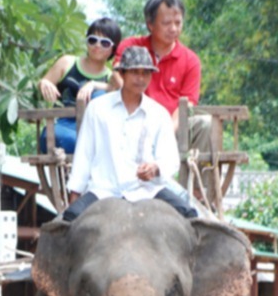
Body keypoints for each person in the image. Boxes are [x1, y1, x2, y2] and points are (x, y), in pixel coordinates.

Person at [62, 46, 199, 222]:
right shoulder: (97, 109)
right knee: (69, 219)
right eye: (135, 72)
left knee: (190, 215)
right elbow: (84, 155)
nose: (140, 78)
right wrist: (75, 197)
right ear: (122, 74)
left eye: (146, 73)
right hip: (103, 190)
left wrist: (155, 168)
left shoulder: (159, 113)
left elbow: (170, 159)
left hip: (147, 191)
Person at [113, 0, 211, 152]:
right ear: (150, 24)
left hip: (171, 128)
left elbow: (186, 105)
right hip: (130, 120)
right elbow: (116, 74)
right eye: (166, 23)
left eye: (178, 23)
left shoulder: (191, 60)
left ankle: (197, 176)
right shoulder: (131, 46)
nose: (173, 28)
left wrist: (165, 131)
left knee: (205, 123)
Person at [37, 17, 122, 154]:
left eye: (105, 43)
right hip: (60, 129)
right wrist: (43, 83)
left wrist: (94, 85)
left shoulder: (111, 77)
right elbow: (44, 83)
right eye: (93, 40)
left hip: (93, 136)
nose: (97, 45)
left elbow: (123, 93)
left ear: (113, 49)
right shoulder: (67, 62)